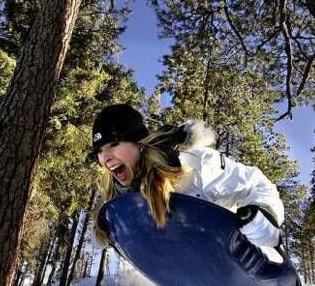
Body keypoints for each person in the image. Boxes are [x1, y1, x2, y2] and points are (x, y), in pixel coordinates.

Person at [91, 104, 284, 262]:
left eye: (114, 144)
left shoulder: (194, 164)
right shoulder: (121, 205)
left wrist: (266, 216)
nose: (105, 158)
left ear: (139, 143)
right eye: (99, 151)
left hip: (250, 259)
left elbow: (257, 185)